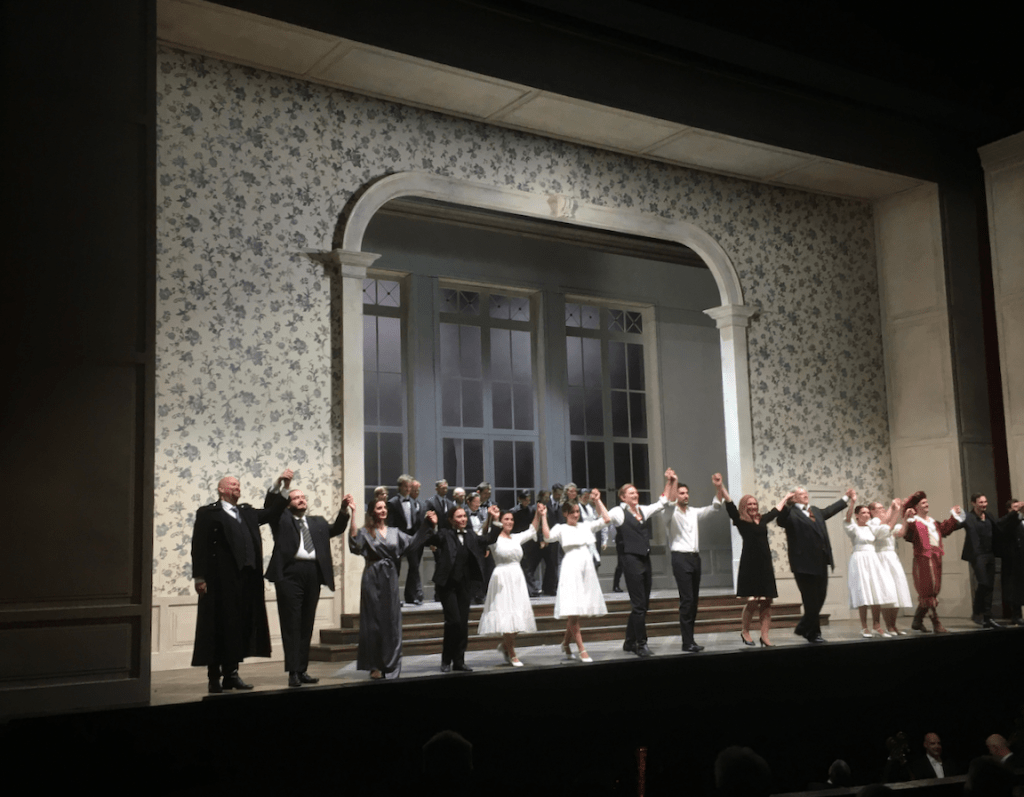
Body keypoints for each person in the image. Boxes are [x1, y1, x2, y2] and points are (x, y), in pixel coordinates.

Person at [190, 469, 293, 693]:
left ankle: (232, 675)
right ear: (221, 489)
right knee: (217, 627)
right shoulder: (208, 513)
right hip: (218, 581)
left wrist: (282, 487)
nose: (238, 487)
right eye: (233, 485)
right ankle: (214, 678)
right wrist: (199, 577)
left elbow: (272, 512)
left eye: (239, 485)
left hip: (245, 581)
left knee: (237, 627)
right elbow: (199, 546)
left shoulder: (247, 512)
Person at [266, 487, 353, 687]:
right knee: (292, 624)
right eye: (295, 498)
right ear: (288, 504)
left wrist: (343, 510)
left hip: (312, 574)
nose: (301, 500)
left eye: (303, 497)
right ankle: (292, 672)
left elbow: (337, 529)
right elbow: (271, 507)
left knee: (306, 623)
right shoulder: (282, 520)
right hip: (290, 575)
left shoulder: (317, 522)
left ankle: (302, 669)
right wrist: (281, 485)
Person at [348, 496, 431, 679]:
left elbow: (413, 543)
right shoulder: (366, 532)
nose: (383, 510)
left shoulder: (395, 532)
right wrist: (353, 513)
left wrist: (427, 524)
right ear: (372, 512)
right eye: (379, 508)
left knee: (391, 620)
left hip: (390, 576)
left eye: (384, 507)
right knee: (373, 622)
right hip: (372, 575)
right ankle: (374, 665)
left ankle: (391, 663)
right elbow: (354, 544)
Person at [607, 469, 676, 657]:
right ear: (623, 497)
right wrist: (597, 502)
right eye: (631, 493)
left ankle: (629, 641)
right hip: (630, 560)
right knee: (638, 605)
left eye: (636, 492)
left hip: (645, 559)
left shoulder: (642, 510)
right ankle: (641, 643)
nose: (635, 495)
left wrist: (670, 481)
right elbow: (604, 519)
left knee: (643, 604)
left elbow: (662, 502)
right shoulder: (618, 512)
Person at [415, 503, 490, 672]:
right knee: (453, 621)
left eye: (464, 516)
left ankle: (459, 660)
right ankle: (446, 659)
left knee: (462, 624)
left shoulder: (471, 535)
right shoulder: (444, 534)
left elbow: (487, 539)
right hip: (448, 585)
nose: (463, 519)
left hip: (465, 585)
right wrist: (431, 525)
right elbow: (429, 539)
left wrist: (496, 521)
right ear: (451, 520)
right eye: (459, 516)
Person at [775, 485, 854, 643]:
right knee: (811, 599)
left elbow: (830, 510)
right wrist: (785, 499)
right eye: (801, 494)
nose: (805, 496)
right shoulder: (790, 512)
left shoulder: (815, 510)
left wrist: (847, 498)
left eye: (805, 493)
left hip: (821, 561)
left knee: (820, 596)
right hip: (802, 563)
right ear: (794, 498)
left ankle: (804, 627)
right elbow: (780, 520)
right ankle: (813, 633)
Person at [543, 490, 613, 662]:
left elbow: (607, 519)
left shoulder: (585, 526)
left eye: (577, 511)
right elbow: (547, 536)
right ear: (565, 513)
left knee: (577, 610)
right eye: (572, 512)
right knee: (573, 609)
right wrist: (543, 516)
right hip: (571, 566)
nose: (576, 514)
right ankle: (582, 649)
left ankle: (566, 644)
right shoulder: (561, 528)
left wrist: (598, 501)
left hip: (585, 566)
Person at [722, 485, 793, 647]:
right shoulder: (740, 520)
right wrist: (721, 487)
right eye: (749, 504)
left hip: (765, 565)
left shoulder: (762, 519)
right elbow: (730, 505)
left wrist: (786, 497)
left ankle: (764, 636)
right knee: (753, 602)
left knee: (767, 602)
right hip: (750, 565)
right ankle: (745, 631)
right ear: (744, 507)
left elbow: (775, 511)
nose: (753, 506)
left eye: (754, 504)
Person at [665, 473, 725, 652]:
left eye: (686, 493)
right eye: (681, 493)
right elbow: (667, 503)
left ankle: (690, 640)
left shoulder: (693, 512)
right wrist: (671, 483)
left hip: (694, 558)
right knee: (687, 600)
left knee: (694, 601)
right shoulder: (670, 513)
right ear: (676, 495)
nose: (685, 496)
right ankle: (687, 641)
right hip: (680, 557)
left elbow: (715, 507)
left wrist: (718, 487)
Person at [477, 505, 541, 666]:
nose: (510, 522)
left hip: (516, 577)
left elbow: (532, 530)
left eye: (511, 519)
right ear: (500, 521)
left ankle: (506, 645)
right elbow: (483, 534)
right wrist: (492, 518)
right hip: (502, 577)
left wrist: (539, 514)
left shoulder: (516, 538)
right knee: (506, 615)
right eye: (506, 519)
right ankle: (512, 653)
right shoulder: (494, 538)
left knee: (518, 616)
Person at [901, 491, 965, 633]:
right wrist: (906, 512)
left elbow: (944, 529)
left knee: (933, 590)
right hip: (923, 558)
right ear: (916, 507)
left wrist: (953, 516)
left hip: (936, 557)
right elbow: (907, 533)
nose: (927, 504)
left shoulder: (932, 521)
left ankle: (917, 620)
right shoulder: (914, 522)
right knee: (928, 590)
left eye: (927, 502)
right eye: (923, 503)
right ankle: (936, 622)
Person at [844, 496, 899, 638]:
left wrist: (895, 510)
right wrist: (852, 503)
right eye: (863, 513)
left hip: (873, 559)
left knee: (876, 592)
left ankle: (877, 625)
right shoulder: (853, 528)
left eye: (868, 512)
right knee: (863, 593)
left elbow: (887, 527)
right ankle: (864, 627)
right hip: (859, 560)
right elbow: (847, 518)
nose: (867, 515)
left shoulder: (872, 527)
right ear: (857, 516)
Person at [868, 500, 914, 635]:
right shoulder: (873, 523)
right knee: (886, 592)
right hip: (880, 558)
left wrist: (905, 518)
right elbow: (886, 528)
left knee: (897, 590)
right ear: (872, 512)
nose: (883, 510)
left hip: (892, 558)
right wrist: (894, 510)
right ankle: (887, 625)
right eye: (879, 508)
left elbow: (900, 533)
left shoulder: (887, 523)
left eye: (883, 508)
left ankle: (892, 625)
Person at [961, 493, 1003, 628]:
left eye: (985, 502)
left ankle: (987, 617)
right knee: (984, 583)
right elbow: (953, 525)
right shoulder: (968, 517)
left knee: (990, 586)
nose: (984, 505)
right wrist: (954, 515)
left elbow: (999, 527)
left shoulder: (989, 516)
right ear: (973, 503)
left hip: (990, 553)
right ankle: (977, 610)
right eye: (981, 502)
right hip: (977, 555)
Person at [387, 473, 424, 605]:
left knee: (414, 567)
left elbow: (416, 522)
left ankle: (411, 596)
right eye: (405, 487)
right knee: (396, 568)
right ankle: (394, 597)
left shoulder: (414, 503)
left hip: (412, 538)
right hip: (397, 538)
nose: (408, 489)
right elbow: (390, 524)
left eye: (409, 487)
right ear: (400, 487)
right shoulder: (392, 503)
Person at [997, 499, 1024, 625]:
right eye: (1014, 507)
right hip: (1013, 561)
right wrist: (1015, 512)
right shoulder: (1007, 522)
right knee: (1015, 588)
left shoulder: (1021, 520)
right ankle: (1016, 615)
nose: (1018, 509)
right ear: (1009, 509)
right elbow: (1002, 525)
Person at [513, 489, 542, 597]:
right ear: (520, 499)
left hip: (530, 541)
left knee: (529, 566)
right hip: (518, 540)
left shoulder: (531, 510)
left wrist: (539, 539)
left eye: (529, 499)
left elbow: (535, 526)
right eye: (525, 499)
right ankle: (531, 589)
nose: (527, 501)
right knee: (524, 566)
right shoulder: (514, 512)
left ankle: (530, 589)